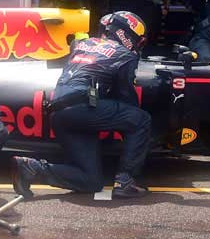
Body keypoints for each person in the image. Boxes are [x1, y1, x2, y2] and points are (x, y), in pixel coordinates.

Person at [10, 11, 152, 199]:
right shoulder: (125, 55)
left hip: (58, 112)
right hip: (83, 109)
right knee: (141, 119)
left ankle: (31, 167)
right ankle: (125, 180)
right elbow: (127, 99)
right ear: (126, 34)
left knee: (90, 181)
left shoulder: (79, 44)